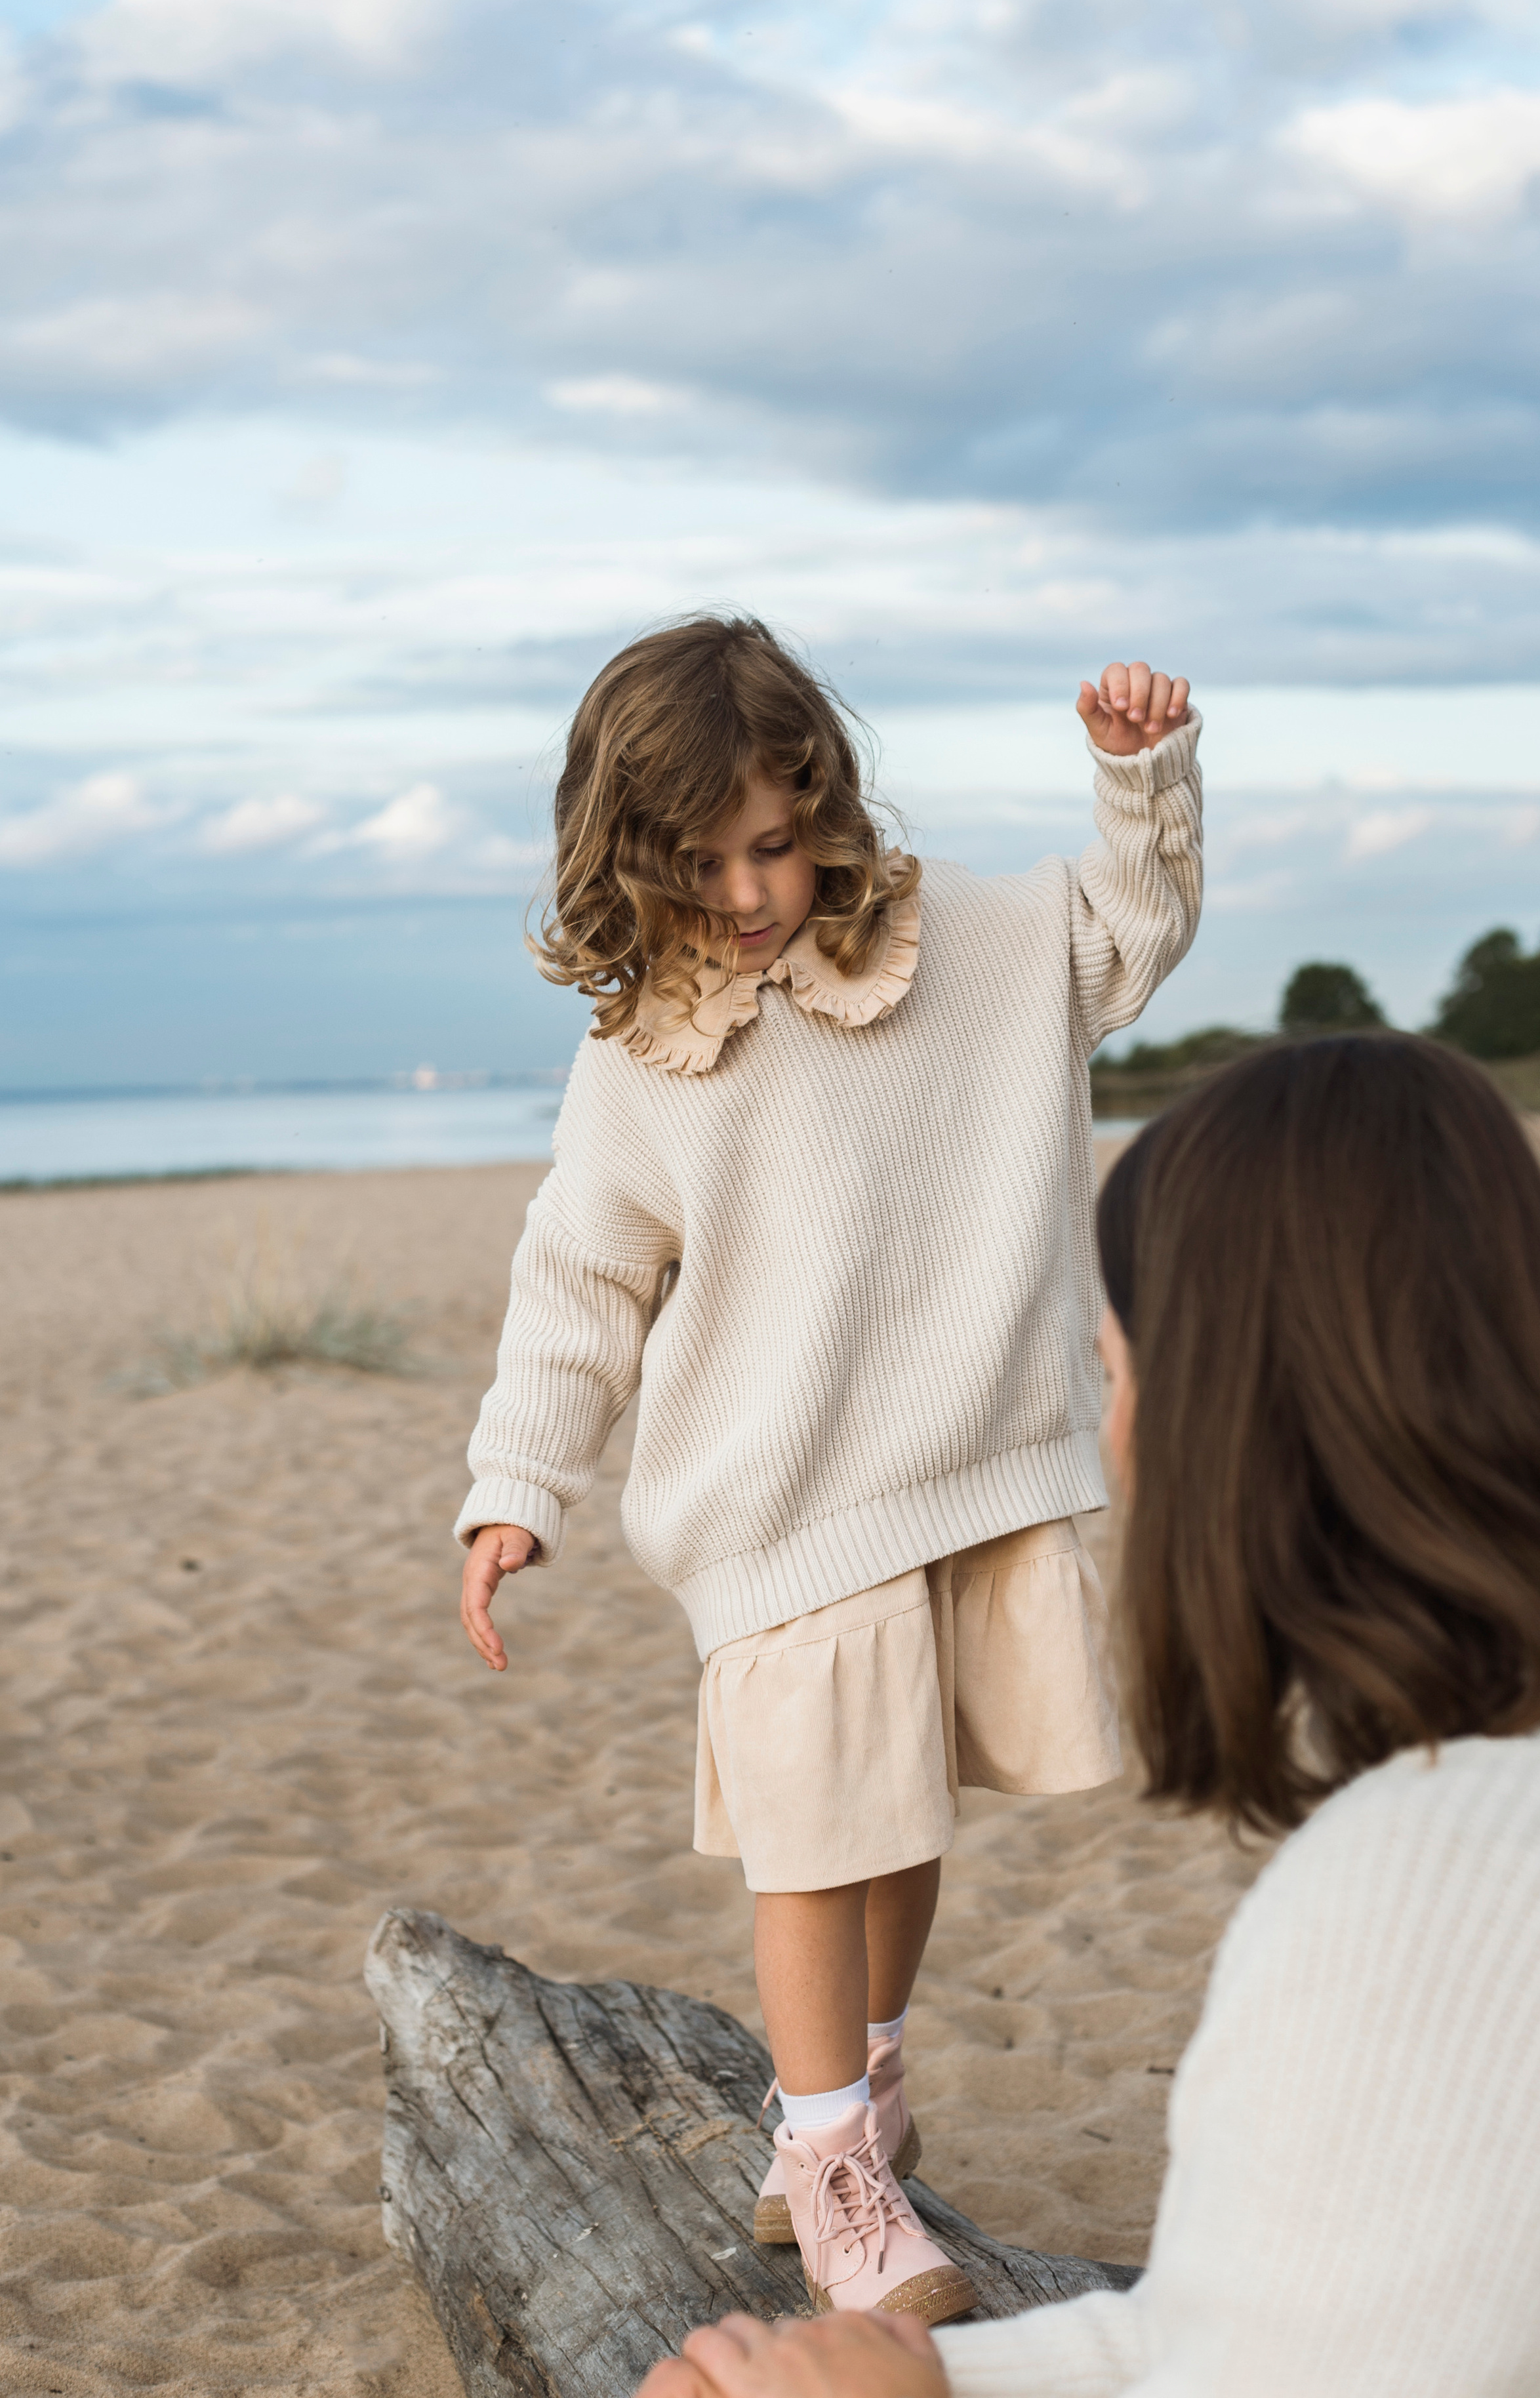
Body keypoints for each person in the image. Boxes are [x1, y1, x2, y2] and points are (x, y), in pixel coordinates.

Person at [639, 1032, 1540, 2396]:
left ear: (1225, 1413)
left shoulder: (1422, 1883)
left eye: (1116, 1371)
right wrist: (935, 2379)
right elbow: (1247, 2323)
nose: (1115, 1434)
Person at [456, 613, 1203, 2323]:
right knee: (813, 1838)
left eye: (776, 843)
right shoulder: (642, 1053)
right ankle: (827, 2154)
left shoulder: (972, 946)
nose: (748, 892)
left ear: (828, 807)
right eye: (701, 860)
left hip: (961, 1463)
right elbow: (580, 1277)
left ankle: (865, 2069)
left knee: (905, 1810)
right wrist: (518, 1485)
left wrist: (1139, 777)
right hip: (776, 1508)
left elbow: (1128, 931)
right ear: (625, 859)